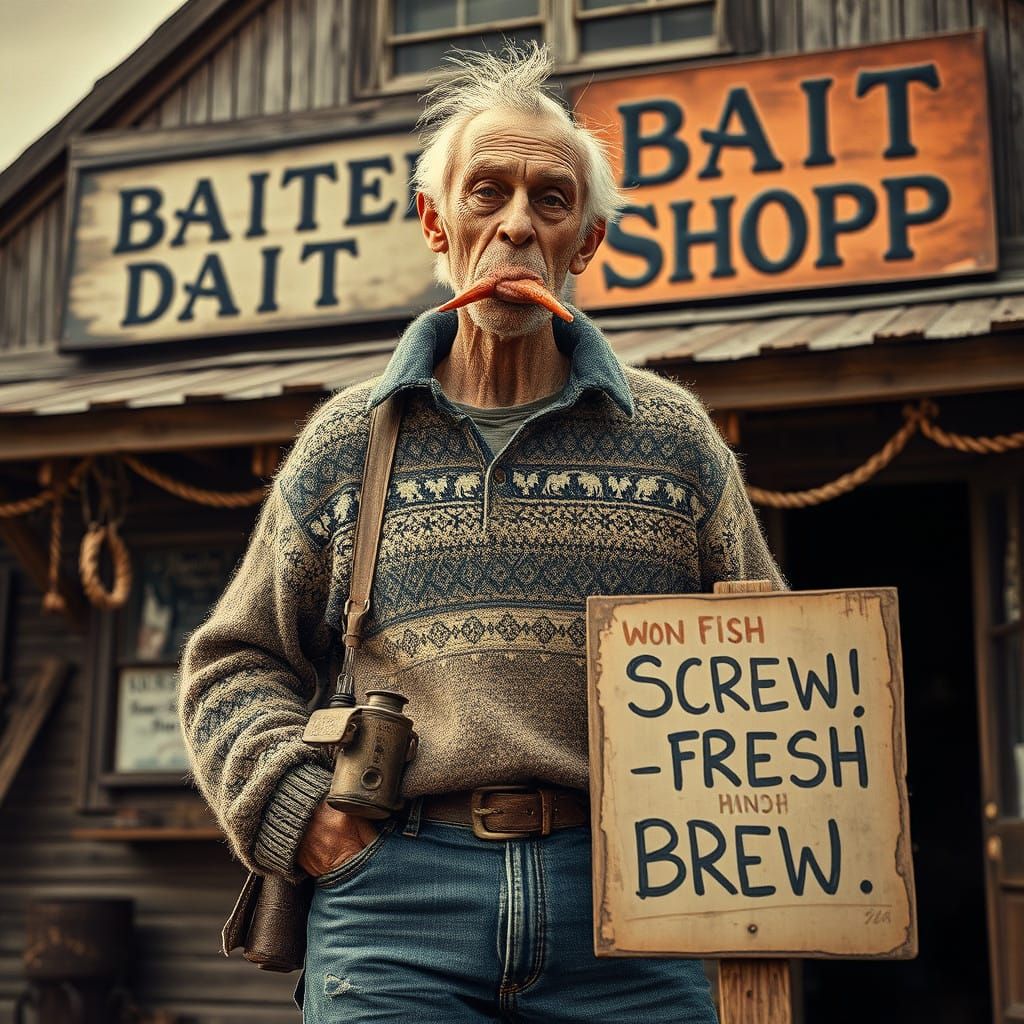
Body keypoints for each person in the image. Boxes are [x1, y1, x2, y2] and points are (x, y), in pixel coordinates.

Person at [179, 41, 785, 1024]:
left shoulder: (674, 441)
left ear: (582, 244)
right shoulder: (347, 440)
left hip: (638, 907)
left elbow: (770, 670)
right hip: (394, 902)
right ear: (436, 221)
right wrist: (302, 817)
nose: (515, 224)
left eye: (550, 201)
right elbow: (233, 659)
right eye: (486, 192)